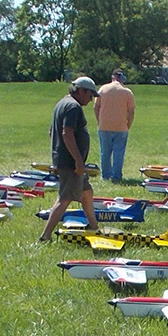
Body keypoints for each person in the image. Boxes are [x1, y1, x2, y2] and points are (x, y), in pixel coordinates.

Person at [39, 77, 100, 241]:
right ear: (81, 90)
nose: (91, 99)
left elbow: (52, 132)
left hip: (67, 159)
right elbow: (67, 133)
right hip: (71, 162)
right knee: (65, 198)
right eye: (90, 95)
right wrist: (78, 161)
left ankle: (95, 227)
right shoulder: (73, 107)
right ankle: (45, 236)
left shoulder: (62, 104)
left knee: (87, 192)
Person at [93, 69, 135, 181]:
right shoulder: (127, 92)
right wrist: (128, 125)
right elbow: (131, 112)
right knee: (118, 153)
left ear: (112, 77)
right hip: (121, 127)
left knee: (105, 152)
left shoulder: (103, 89)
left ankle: (105, 175)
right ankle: (116, 176)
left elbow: (96, 107)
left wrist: (99, 120)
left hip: (104, 126)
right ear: (122, 79)